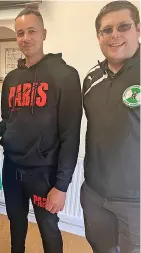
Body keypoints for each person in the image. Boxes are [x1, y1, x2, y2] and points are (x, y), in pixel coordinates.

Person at [0, 7, 82, 253]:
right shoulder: (12, 79)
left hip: (44, 174)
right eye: (20, 33)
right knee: (15, 225)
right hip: (13, 169)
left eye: (31, 31)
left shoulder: (65, 75)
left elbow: (71, 135)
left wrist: (61, 186)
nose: (25, 38)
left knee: (48, 228)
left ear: (44, 33)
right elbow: (11, 122)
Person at [80, 1, 140, 252]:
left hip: (136, 201)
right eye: (107, 30)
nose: (115, 34)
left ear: (138, 30)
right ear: (98, 36)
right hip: (95, 194)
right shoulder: (91, 78)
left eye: (123, 27)